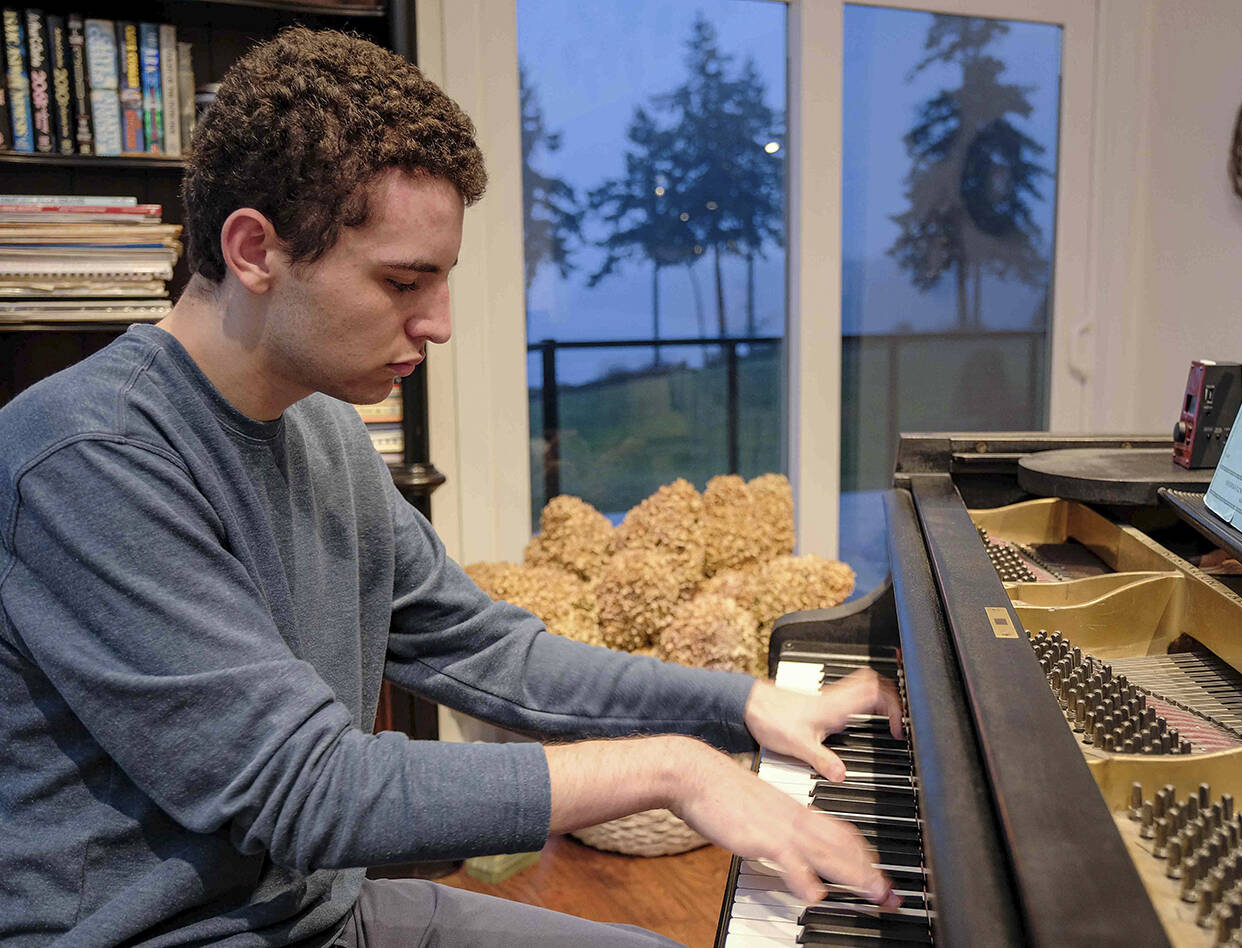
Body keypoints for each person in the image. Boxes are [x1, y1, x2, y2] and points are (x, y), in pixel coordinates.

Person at [0, 27, 903, 947]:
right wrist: (675, 771)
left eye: (441, 281)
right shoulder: (83, 456)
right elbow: (310, 793)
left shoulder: (320, 428)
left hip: (321, 913)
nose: (435, 324)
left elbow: (489, 652)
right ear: (253, 250)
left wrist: (740, 704)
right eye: (402, 281)